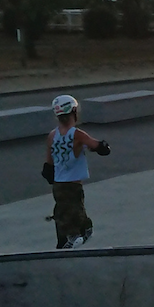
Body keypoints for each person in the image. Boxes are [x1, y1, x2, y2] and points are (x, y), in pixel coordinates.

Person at [42, 95, 111, 249]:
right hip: (73, 183)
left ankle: (66, 239)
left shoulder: (52, 135)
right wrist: (102, 147)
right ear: (74, 111)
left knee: (63, 211)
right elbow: (97, 145)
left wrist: (50, 174)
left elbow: (48, 163)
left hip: (58, 184)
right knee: (74, 209)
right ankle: (81, 232)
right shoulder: (77, 134)